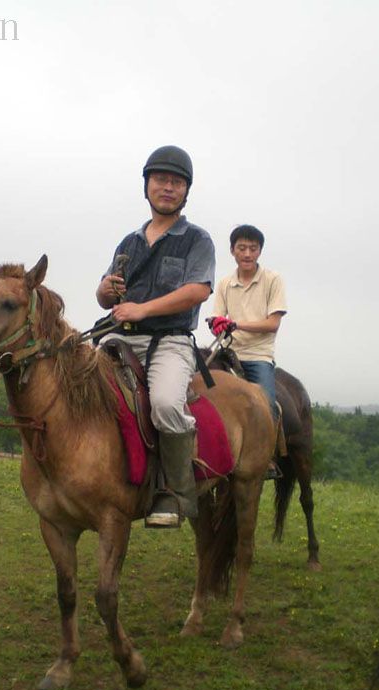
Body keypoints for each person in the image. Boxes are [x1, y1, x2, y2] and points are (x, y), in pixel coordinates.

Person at [96, 145, 216, 528]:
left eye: (176, 182)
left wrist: (143, 309)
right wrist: (107, 291)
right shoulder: (128, 243)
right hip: (120, 338)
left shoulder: (197, 239)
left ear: (186, 191)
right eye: (160, 180)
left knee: (165, 404)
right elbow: (102, 296)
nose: (167, 187)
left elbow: (198, 290)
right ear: (147, 185)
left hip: (169, 341)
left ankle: (175, 492)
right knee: (77, 385)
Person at [209, 224, 286, 419]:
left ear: (260, 251)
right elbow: (218, 320)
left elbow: (272, 324)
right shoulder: (225, 283)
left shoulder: (272, 279)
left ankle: (272, 448)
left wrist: (236, 324)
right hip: (227, 353)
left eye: (253, 248)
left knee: (267, 409)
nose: (247, 254)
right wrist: (215, 325)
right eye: (242, 248)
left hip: (257, 355)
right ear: (232, 250)